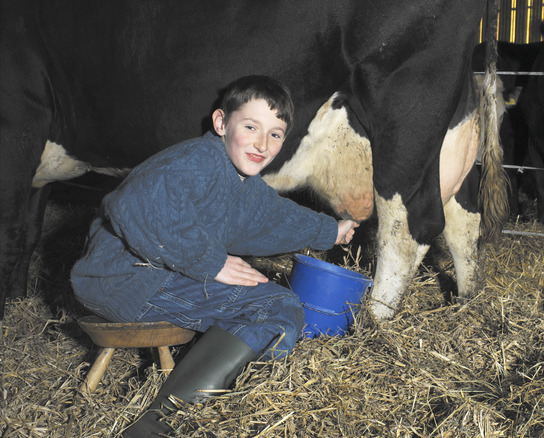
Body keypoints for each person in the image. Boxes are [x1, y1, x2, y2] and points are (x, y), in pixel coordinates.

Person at [70, 75, 358, 437]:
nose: (261, 143)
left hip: (148, 275)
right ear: (221, 123)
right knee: (274, 307)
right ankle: (155, 428)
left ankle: (208, 390)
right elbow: (138, 203)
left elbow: (274, 218)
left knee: (276, 304)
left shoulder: (240, 181)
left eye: (275, 134)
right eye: (250, 126)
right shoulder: (199, 159)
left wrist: (330, 230)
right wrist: (212, 263)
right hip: (126, 277)